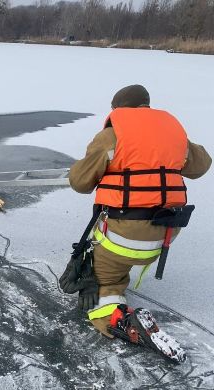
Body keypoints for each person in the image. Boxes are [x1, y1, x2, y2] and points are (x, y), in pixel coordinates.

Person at [67, 85, 211, 348]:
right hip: (164, 237)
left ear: (117, 109)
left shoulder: (112, 135)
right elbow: (202, 165)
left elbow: (80, 182)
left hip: (123, 237)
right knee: (121, 251)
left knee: (102, 283)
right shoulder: (173, 133)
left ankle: (119, 318)